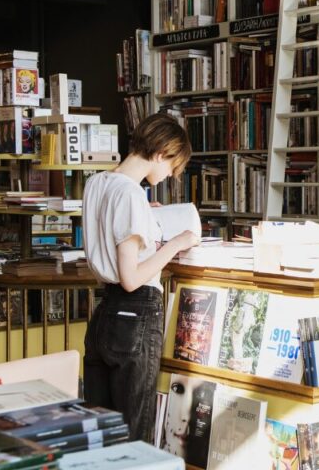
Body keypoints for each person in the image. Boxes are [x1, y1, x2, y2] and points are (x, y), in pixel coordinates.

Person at [82, 113, 198, 444]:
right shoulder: (132, 196)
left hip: (105, 312)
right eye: (171, 168)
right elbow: (131, 277)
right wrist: (177, 243)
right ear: (161, 152)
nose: (166, 177)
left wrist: (147, 216)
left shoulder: (97, 183)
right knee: (135, 438)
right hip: (136, 313)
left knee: (101, 432)